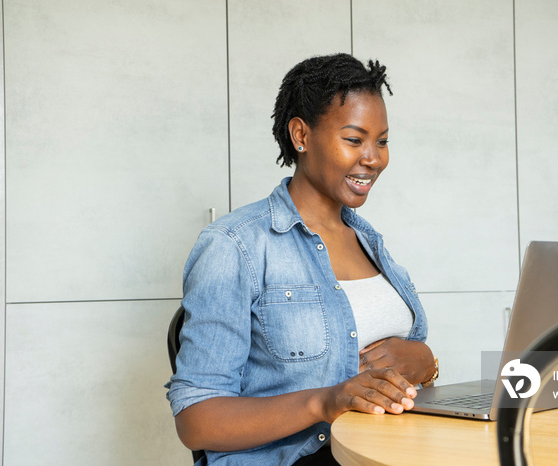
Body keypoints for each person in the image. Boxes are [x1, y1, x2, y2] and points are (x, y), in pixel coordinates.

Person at [166, 53, 438, 465]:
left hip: (396, 449)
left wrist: (427, 362)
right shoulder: (234, 245)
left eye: (382, 141)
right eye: (354, 139)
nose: (374, 158)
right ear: (301, 135)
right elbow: (197, 421)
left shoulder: (370, 242)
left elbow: (401, 368)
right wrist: (326, 402)